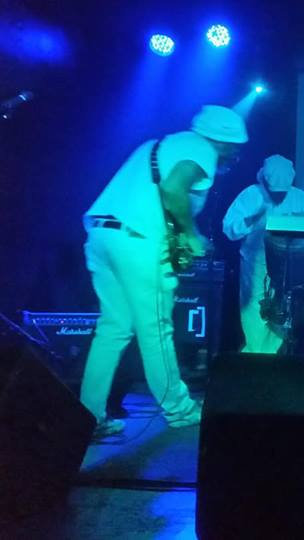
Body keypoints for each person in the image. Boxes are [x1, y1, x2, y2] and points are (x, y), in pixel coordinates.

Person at [81, 105, 247, 438]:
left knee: (113, 329)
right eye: (236, 147)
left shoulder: (156, 145)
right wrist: (191, 234)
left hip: (101, 234)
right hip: (138, 241)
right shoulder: (202, 148)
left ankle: (87, 416)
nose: (235, 155)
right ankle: (180, 409)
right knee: (156, 329)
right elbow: (172, 189)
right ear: (224, 142)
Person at [222, 155, 304, 353]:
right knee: (254, 308)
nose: (278, 197)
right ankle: (257, 354)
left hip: (290, 265)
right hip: (256, 262)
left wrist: (303, 222)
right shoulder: (250, 195)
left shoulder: (301, 199)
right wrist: (252, 219)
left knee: (284, 309)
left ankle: (273, 354)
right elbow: (229, 228)